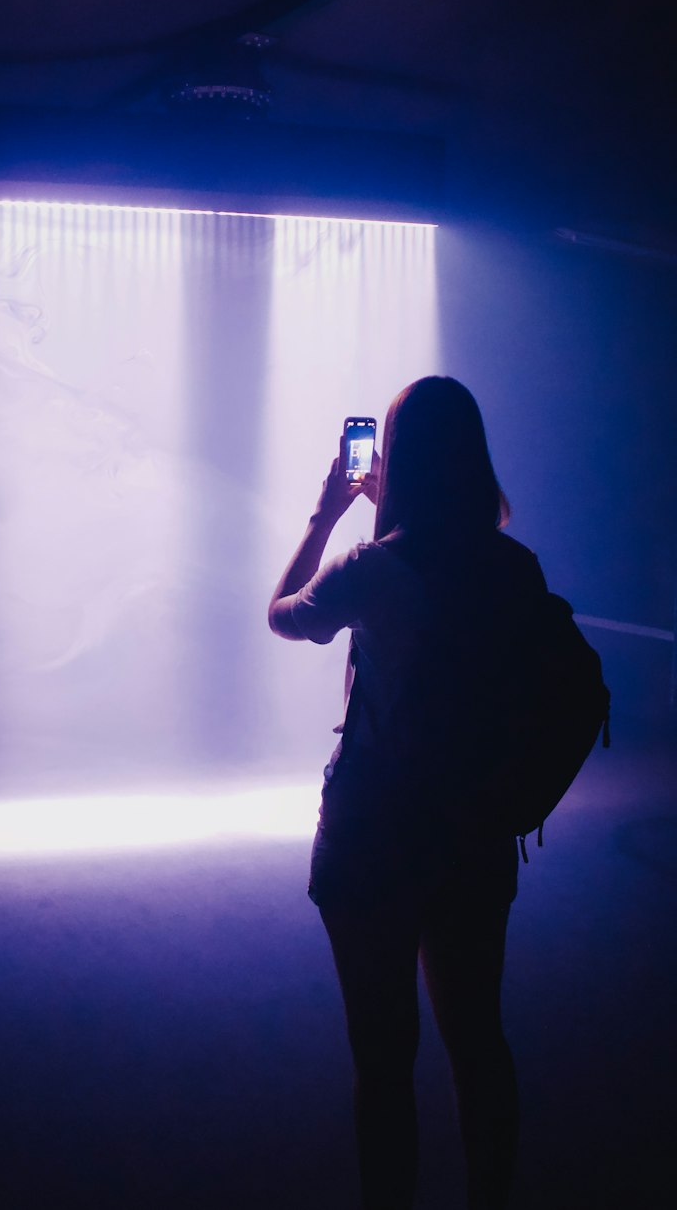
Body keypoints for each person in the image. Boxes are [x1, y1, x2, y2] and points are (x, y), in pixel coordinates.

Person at [268, 377, 548, 1210]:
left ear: (400, 464)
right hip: (474, 831)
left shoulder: (371, 568)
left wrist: (327, 517)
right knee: (478, 1045)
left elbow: (282, 615)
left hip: (374, 841)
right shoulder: (515, 570)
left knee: (384, 1066)